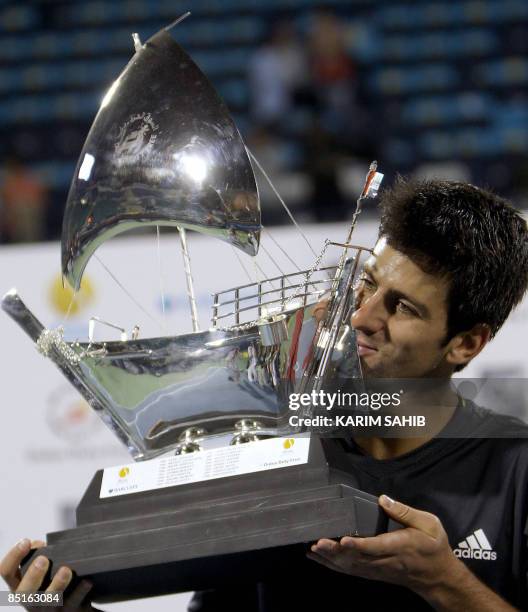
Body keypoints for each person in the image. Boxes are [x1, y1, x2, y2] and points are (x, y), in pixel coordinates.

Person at [2, 178, 528, 610]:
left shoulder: (516, 467)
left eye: (403, 308)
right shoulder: (272, 451)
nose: (363, 316)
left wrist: (442, 582)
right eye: (367, 284)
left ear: (466, 343)